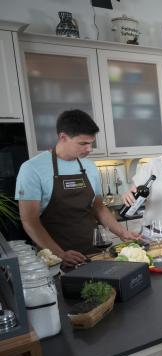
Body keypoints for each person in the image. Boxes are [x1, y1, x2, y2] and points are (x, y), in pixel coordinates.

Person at [16, 109, 140, 267]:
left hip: (94, 251)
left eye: (91, 143)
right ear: (63, 137)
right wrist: (59, 254)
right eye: (83, 143)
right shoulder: (32, 169)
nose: (89, 149)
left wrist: (123, 233)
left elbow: (99, 207)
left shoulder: (89, 166)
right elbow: (29, 220)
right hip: (56, 257)